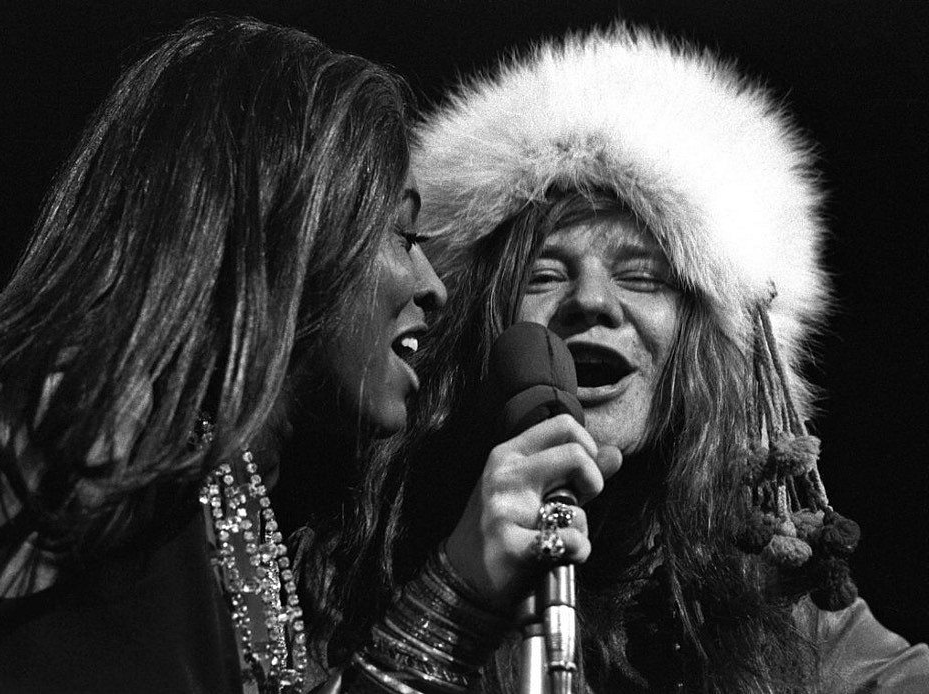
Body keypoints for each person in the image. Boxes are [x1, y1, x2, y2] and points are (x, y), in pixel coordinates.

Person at [352, 23, 929, 693]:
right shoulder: (365, 546)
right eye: (544, 273)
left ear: (702, 347)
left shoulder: (769, 595)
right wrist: (450, 599)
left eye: (642, 277)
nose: (591, 301)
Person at [0, 15, 447, 694]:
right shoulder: (80, 418)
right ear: (294, 216)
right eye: (402, 234)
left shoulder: (227, 483)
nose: (433, 286)